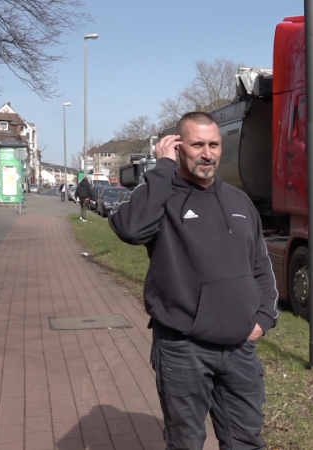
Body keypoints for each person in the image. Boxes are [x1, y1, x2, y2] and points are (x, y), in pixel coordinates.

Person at [109, 112, 278, 450]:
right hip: (183, 348)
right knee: (185, 442)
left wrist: (264, 318)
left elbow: (260, 264)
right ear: (177, 148)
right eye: (197, 144)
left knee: (245, 440)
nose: (207, 153)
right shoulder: (163, 196)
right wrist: (160, 170)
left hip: (239, 348)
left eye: (213, 144)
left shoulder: (238, 200)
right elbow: (129, 228)